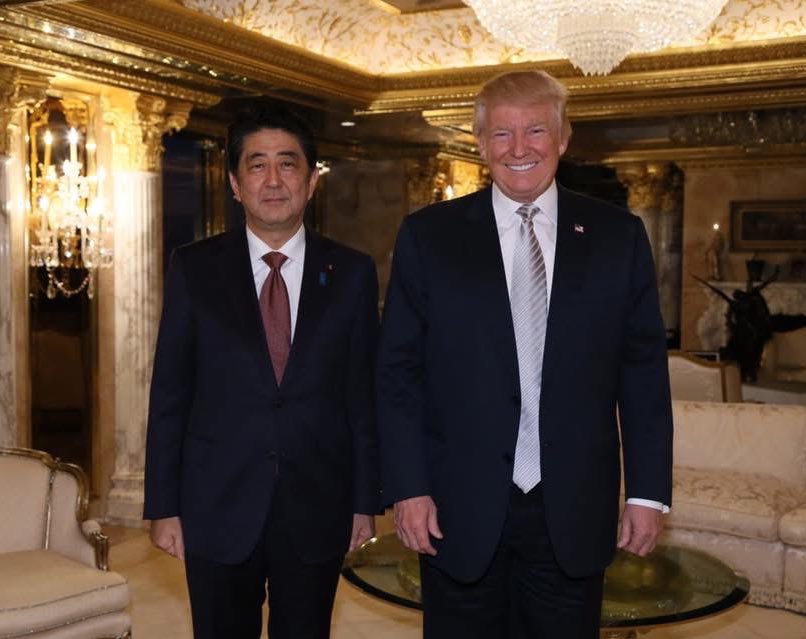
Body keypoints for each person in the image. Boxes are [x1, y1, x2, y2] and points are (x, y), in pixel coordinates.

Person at [376, 70, 673, 638]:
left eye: (535, 130)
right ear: (481, 143)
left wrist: (646, 493)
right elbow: (397, 375)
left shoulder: (619, 236)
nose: (519, 149)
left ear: (563, 138)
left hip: (574, 507)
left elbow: (642, 376)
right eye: (502, 134)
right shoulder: (428, 236)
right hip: (455, 507)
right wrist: (407, 487)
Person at [143, 101, 380, 639]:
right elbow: (170, 393)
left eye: (288, 163)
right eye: (256, 164)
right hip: (216, 504)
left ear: (312, 180)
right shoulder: (195, 268)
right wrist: (164, 506)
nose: (273, 180)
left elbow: (362, 394)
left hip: (319, 503)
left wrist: (366, 502)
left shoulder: (351, 272)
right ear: (235, 183)